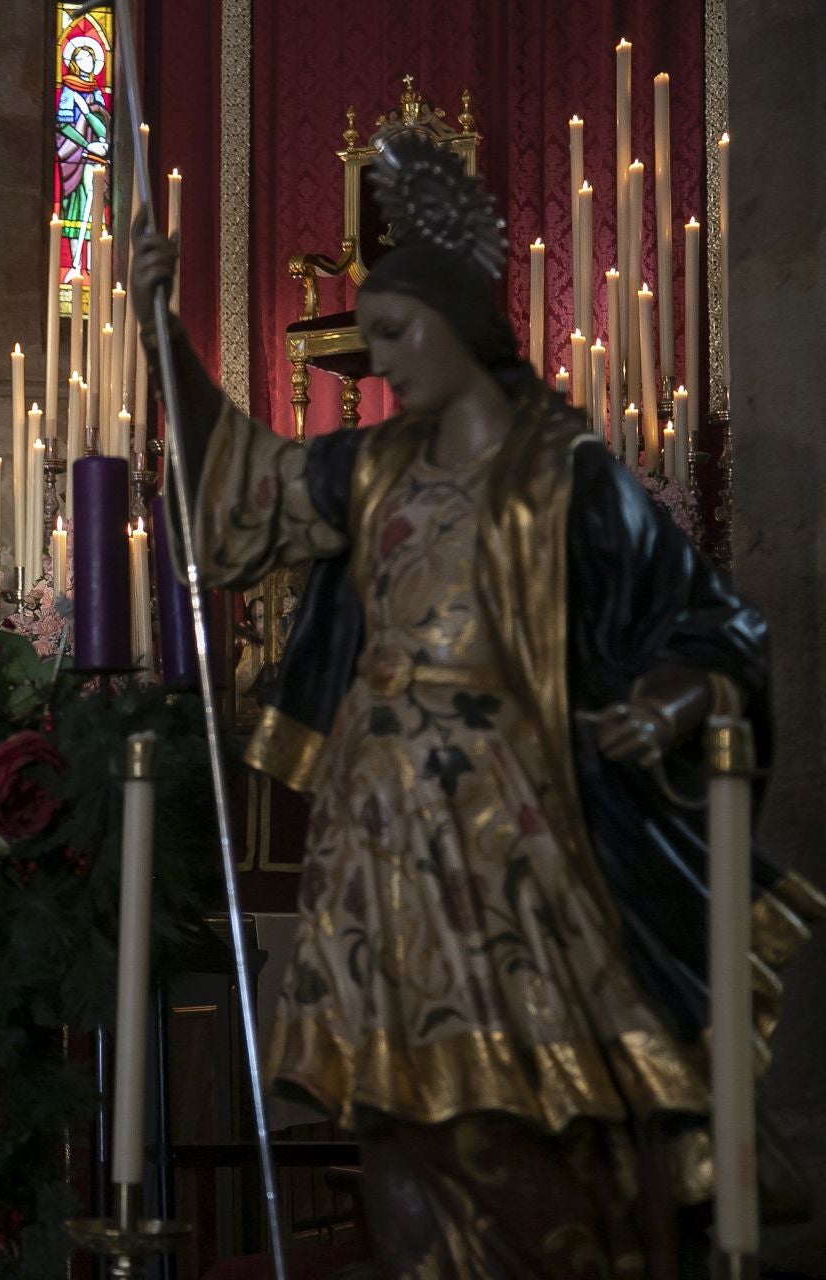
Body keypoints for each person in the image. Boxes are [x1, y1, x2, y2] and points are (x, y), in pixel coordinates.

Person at [130, 133, 821, 1275]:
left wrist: (663, 702)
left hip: (522, 818)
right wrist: (167, 337)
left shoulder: (568, 474)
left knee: (546, 1080)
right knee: (402, 1105)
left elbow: (713, 626)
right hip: (382, 829)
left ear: (459, 327)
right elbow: (236, 499)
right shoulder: (373, 466)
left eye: (396, 333)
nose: (381, 359)